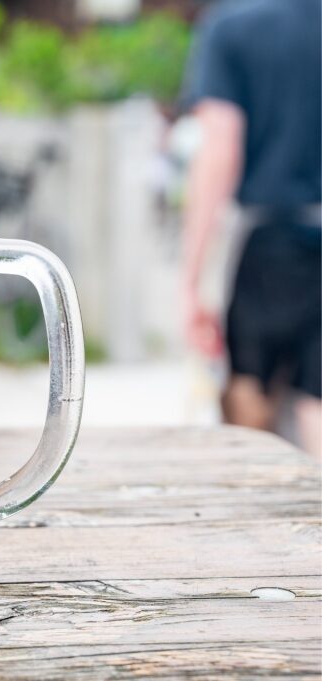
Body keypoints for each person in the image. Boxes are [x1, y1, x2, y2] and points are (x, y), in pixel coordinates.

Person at [182, 0, 321, 456]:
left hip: (273, 247)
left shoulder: (234, 28)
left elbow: (219, 151)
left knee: (252, 413)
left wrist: (192, 282)